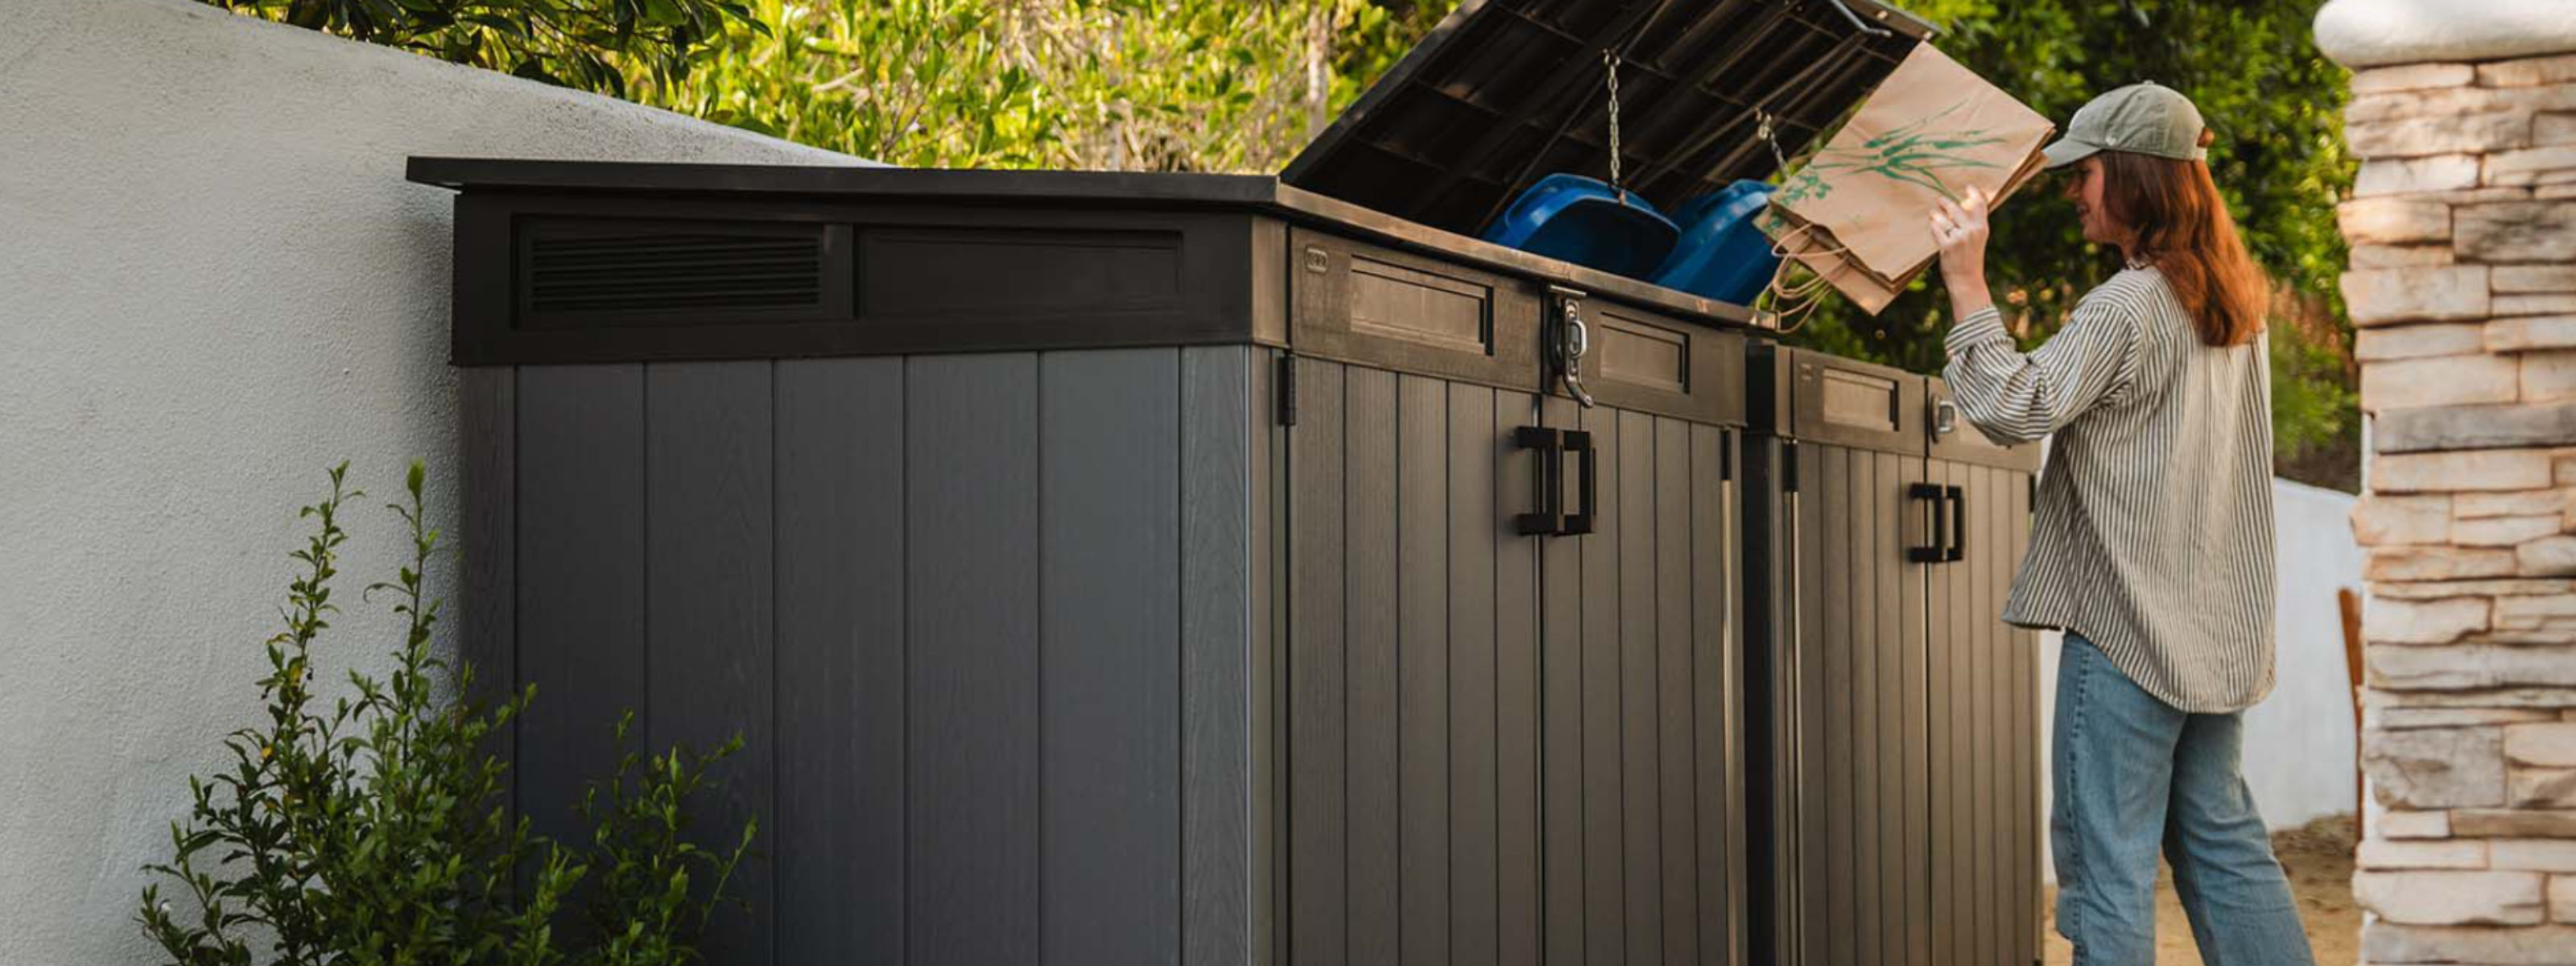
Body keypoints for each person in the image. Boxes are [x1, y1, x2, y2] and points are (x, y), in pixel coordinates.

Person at [1926, 82, 2317, 965]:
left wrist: (1965, 281)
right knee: (2223, 846)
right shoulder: (2233, 309)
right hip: (2215, 634)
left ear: (2136, 178)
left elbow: (2017, 406)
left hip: (2128, 633)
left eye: (2086, 173)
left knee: (2105, 866)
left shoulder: (2127, 305)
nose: (2073, 191)